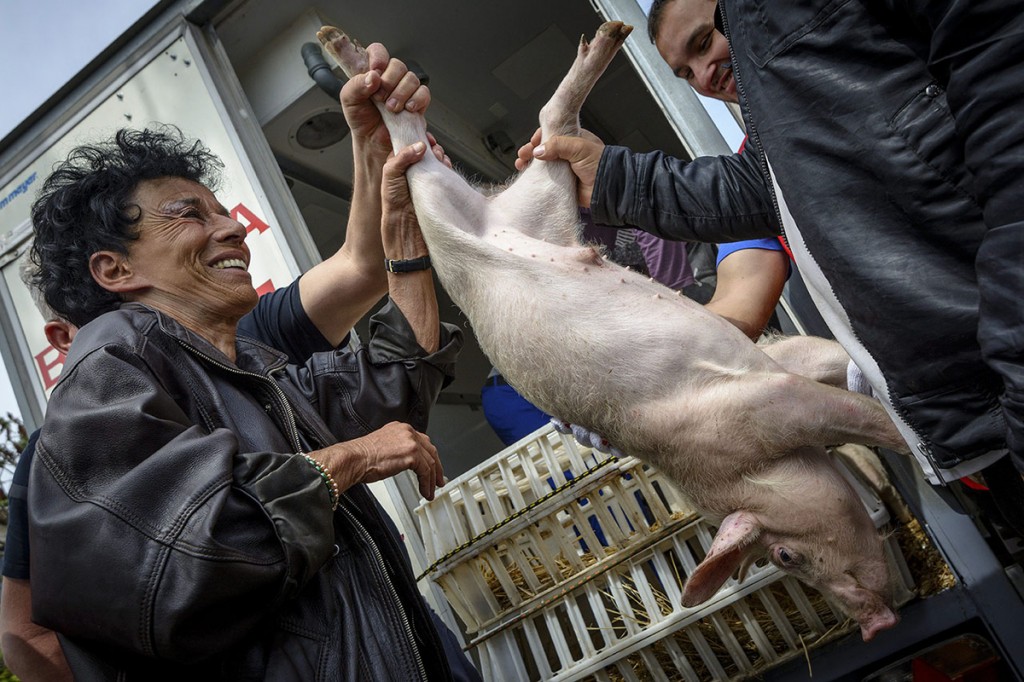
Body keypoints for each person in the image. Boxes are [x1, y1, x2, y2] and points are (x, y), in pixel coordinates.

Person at [21, 66, 465, 682]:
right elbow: (196, 551)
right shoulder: (109, 362)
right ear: (116, 271)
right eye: (188, 214)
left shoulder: (250, 368)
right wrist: (352, 460)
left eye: (223, 211)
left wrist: (405, 237)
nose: (232, 227)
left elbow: (397, 380)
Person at [524, 0, 1024, 489]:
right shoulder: (770, 162)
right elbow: (738, 303)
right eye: (684, 73)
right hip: (967, 421)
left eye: (706, 41)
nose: (703, 75)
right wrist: (630, 381)